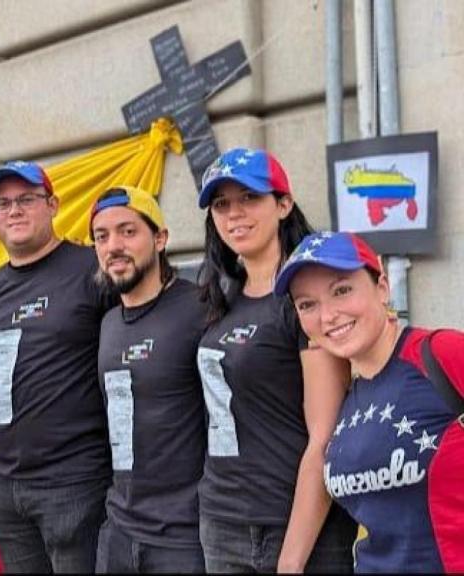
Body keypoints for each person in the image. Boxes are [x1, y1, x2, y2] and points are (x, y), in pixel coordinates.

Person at [194, 148, 356, 572]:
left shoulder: (306, 298)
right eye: (221, 204)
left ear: (283, 204)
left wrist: (292, 560)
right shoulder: (219, 295)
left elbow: (324, 439)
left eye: (249, 197)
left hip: (294, 526)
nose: (234, 213)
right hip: (222, 522)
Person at [274, 231, 464, 573]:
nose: (328, 315)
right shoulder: (347, 400)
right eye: (307, 304)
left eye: (341, 290)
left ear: (382, 288)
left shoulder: (442, 354)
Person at [0, 161, 116, 573]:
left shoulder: (93, 269)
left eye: (27, 199)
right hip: (4, 485)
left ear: (53, 205)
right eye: (3, 203)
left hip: (74, 481)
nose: (14, 210)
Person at [89, 187, 208, 573]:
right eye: (102, 237)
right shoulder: (108, 323)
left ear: (160, 239)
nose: (113, 246)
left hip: (184, 538)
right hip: (119, 530)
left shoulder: (201, 308)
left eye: (128, 231)